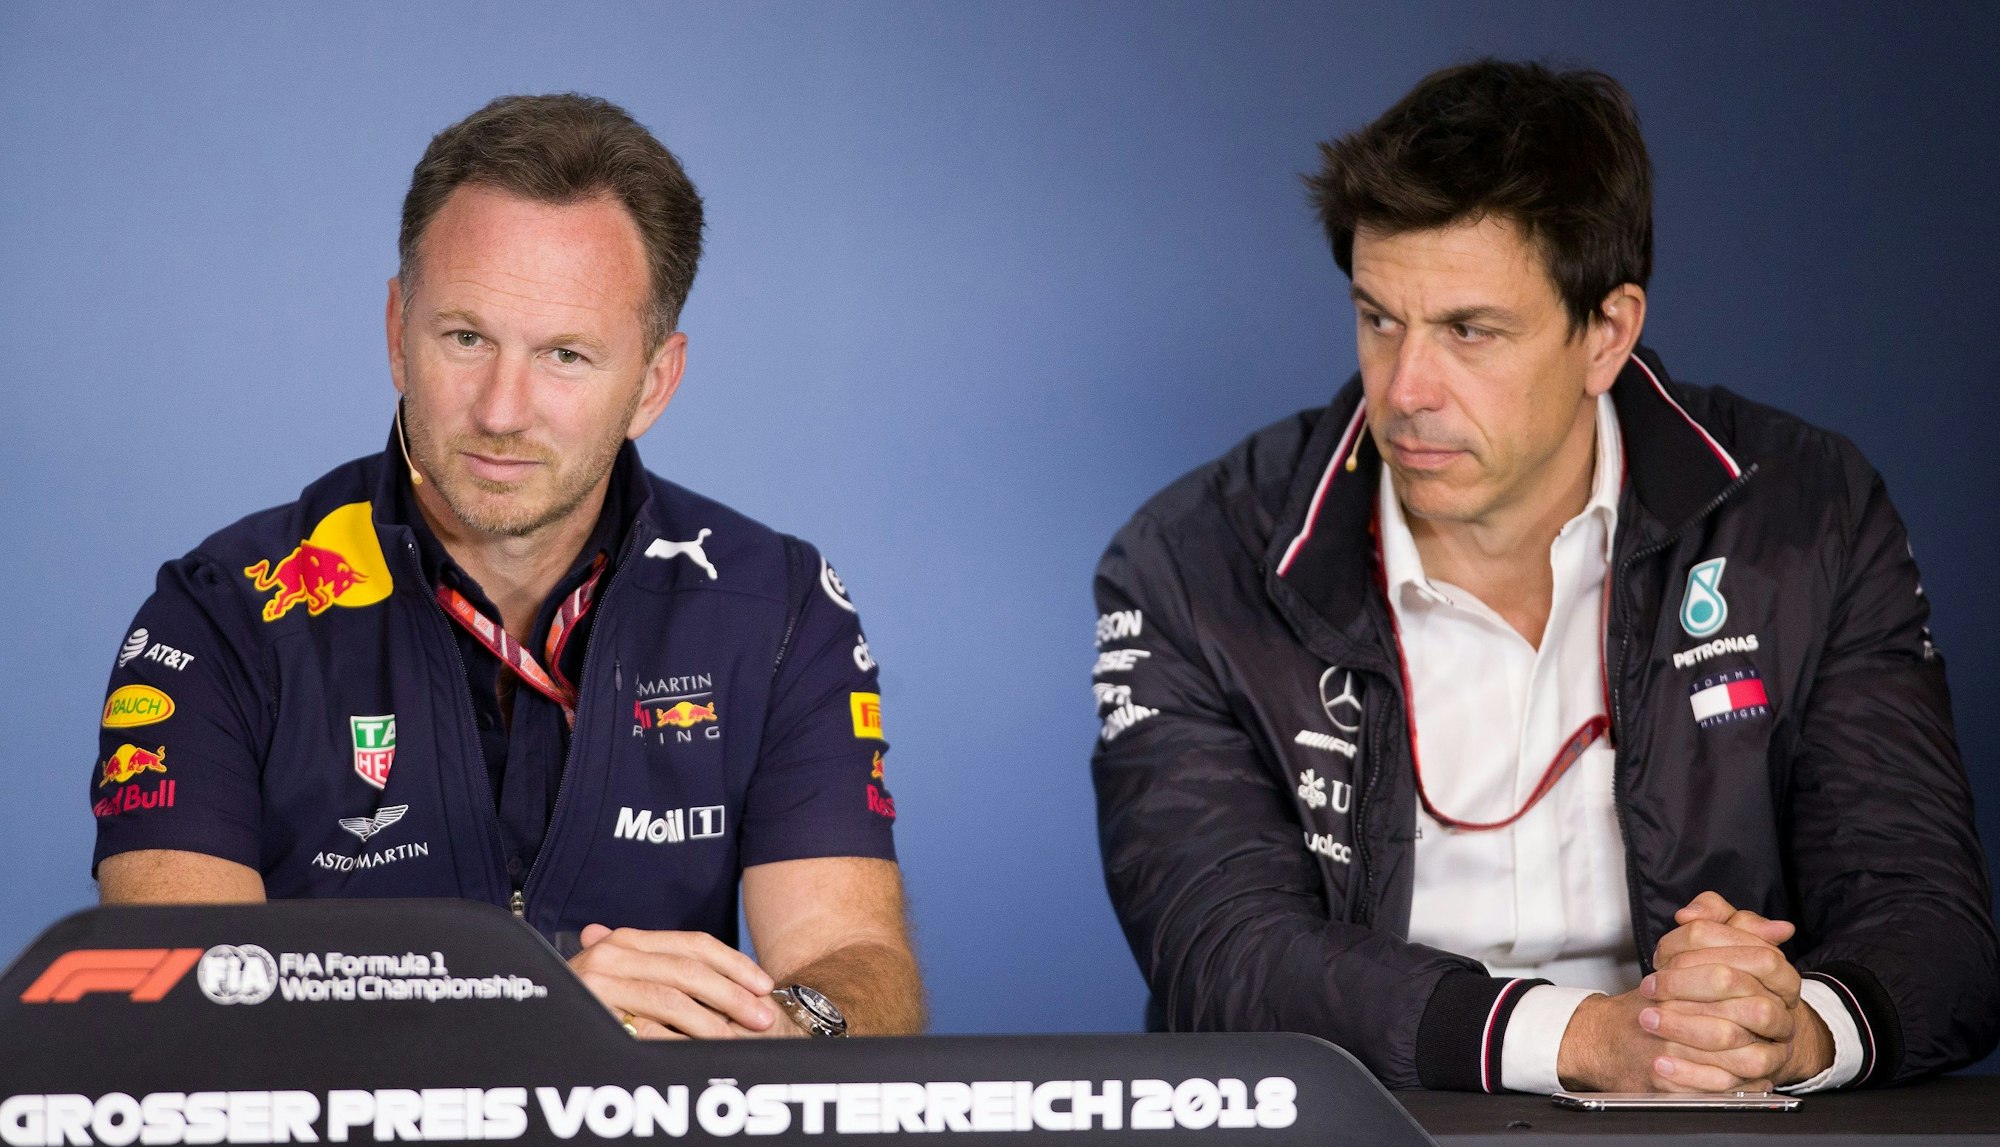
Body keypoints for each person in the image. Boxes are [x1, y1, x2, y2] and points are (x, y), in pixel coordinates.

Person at [1090, 60, 1997, 1093]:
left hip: (1715, 1140)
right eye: (1379, 318)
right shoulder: (1187, 562)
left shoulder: (1803, 516)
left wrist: (1788, 1028)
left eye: (1469, 331)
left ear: (1605, 333)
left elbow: (1930, 923)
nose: (1405, 390)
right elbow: (1221, 955)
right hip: (1364, 1136)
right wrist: (1587, 1039)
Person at [90, 94, 922, 1040]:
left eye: (565, 355)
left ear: (653, 382)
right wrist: (533, 1016)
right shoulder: (218, 616)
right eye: (466, 338)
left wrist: (786, 1025)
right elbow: (188, 1009)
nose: (500, 409)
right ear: (398, 327)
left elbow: (859, 965)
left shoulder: (775, 611)